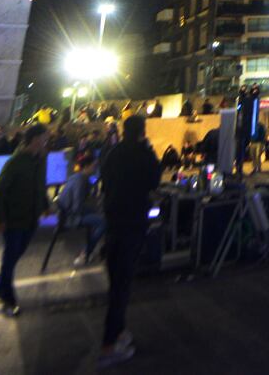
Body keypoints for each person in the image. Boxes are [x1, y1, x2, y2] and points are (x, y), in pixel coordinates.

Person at [98, 114, 161, 368]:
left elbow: (105, 182)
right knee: (121, 287)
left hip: (113, 223)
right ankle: (108, 346)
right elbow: (154, 179)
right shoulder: (142, 154)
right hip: (132, 224)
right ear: (142, 132)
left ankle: (119, 332)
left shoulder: (112, 154)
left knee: (116, 282)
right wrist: (148, 150)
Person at [0, 124, 49, 316]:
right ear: (35, 139)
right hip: (13, 219)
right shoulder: (15, 162)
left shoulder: (41, 160)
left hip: (31, 218)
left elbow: (40, 185)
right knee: (10, 258)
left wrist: (45, 205)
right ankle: (8, 299)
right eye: (45, 139)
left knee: (15, 255)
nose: (47, 143)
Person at [57, 152, 105, 266]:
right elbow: (77, 206)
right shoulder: (81, 181)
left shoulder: (76, 177)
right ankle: (86, 252)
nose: (95, 168)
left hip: (68, 214)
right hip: (72, 217)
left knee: (99, 217)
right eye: (94, 166)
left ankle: (88, 250)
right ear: (87, 166)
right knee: (103, 222)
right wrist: (95, 210)